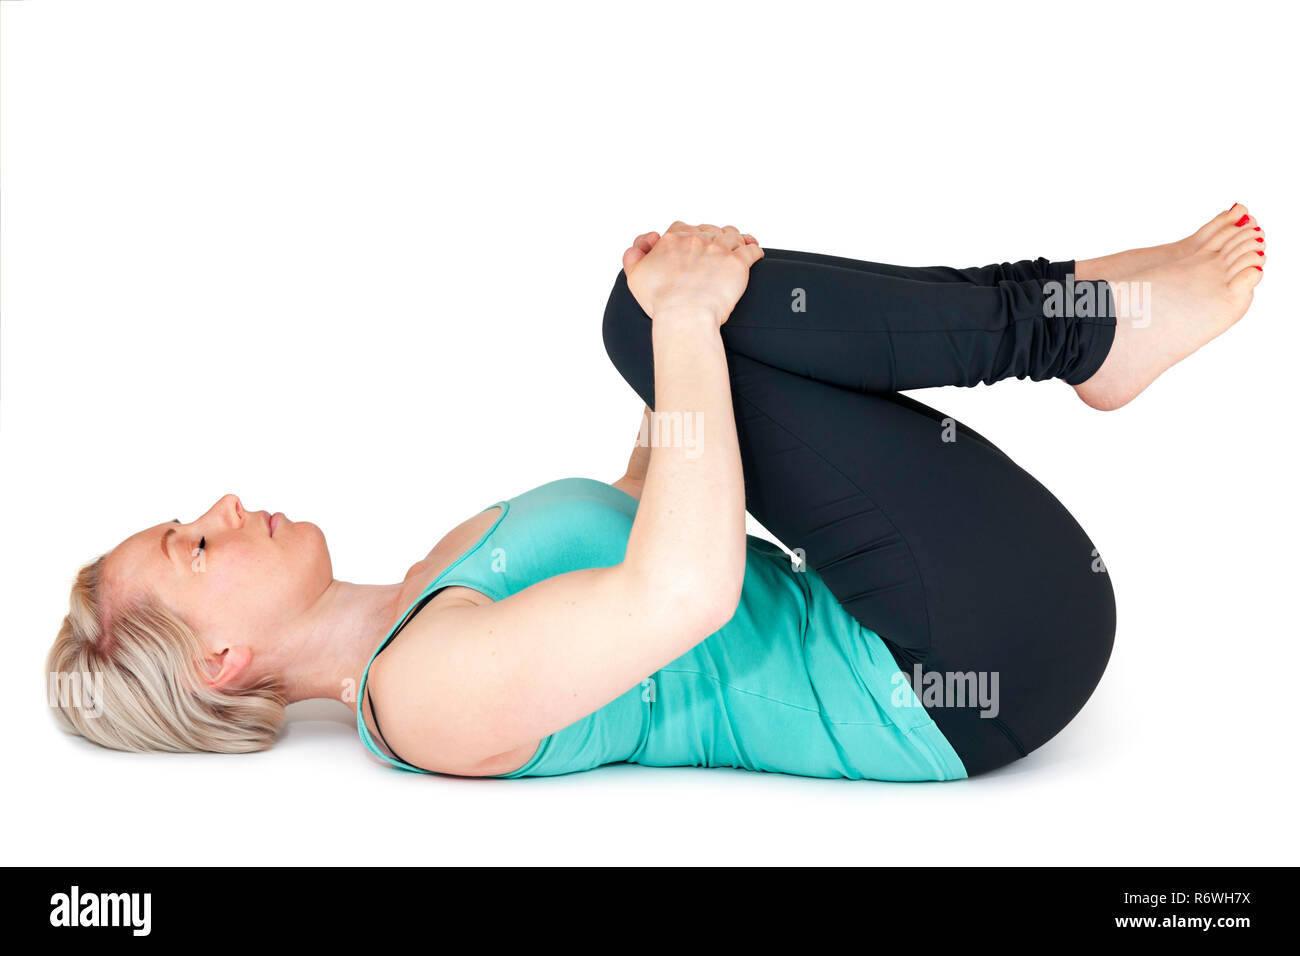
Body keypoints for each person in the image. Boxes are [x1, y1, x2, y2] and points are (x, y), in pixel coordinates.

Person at [47, 207, 1265, 779]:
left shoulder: (435, 579)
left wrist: (688, 319)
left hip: (954, 621)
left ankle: (1082, 321)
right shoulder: (416, 693)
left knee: (662, 312)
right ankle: (1076, 327)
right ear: (218, 659)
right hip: (953, 676)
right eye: (191, 545)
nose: (219, 505)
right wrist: (675, 323)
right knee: (652, 317)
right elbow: (686, 583)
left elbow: (664, 494)